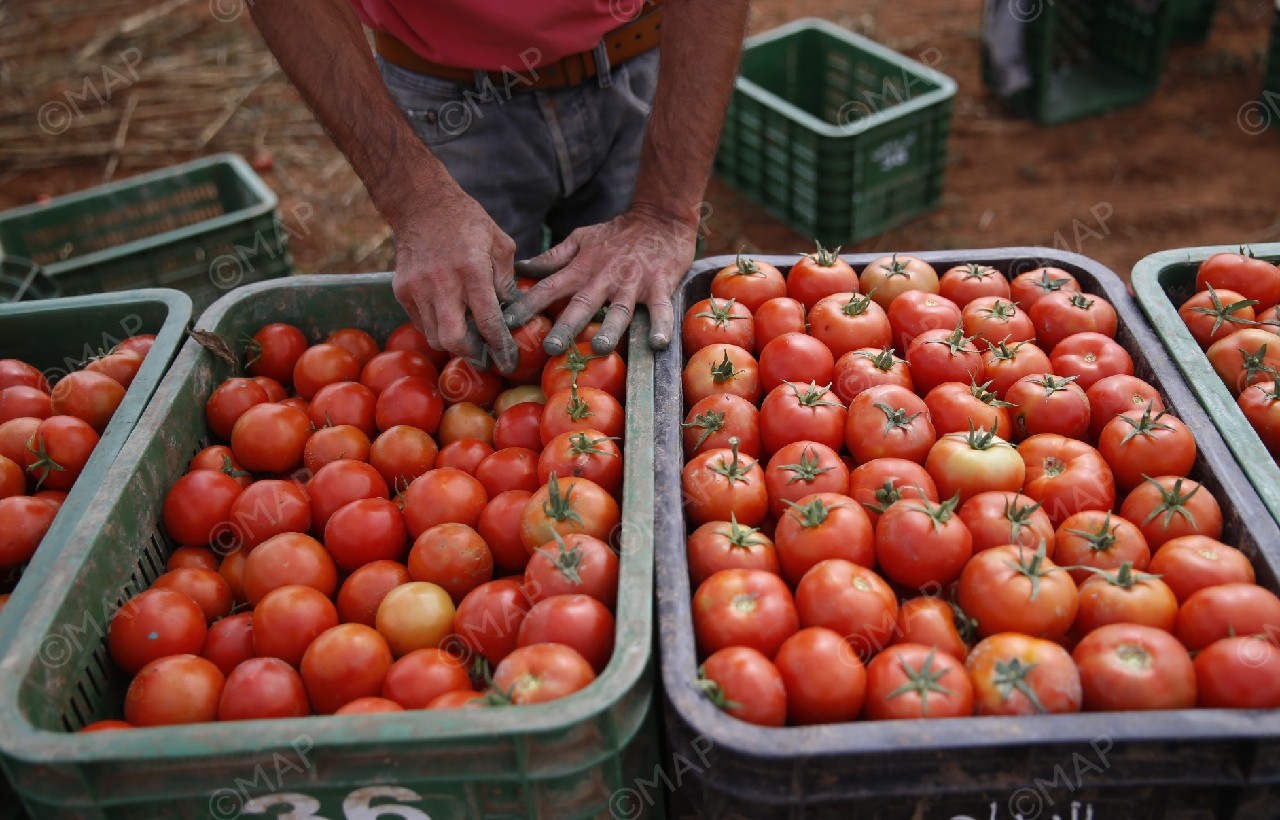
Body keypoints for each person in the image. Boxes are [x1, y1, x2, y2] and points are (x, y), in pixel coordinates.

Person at [248, 0, 751, 373]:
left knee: (639, 336)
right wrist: (414, 198)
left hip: (647, 54)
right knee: (478, 355)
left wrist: (666, 210)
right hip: (446, 98)